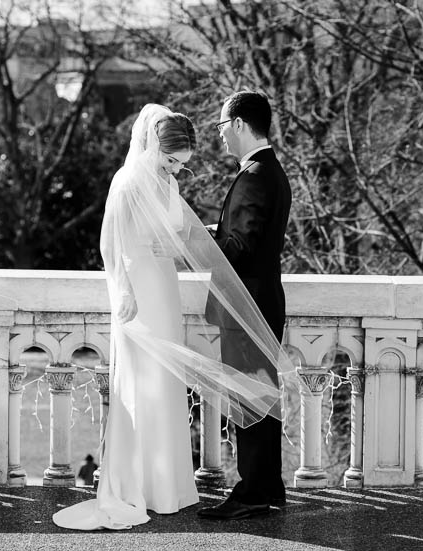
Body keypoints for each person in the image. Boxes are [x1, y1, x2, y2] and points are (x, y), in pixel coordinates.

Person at [52, 103, 294, 531]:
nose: (177, 171)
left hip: (203, 294)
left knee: (242, 391)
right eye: (173, 162)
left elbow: (220, 242)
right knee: (235, 390)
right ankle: (231, 485)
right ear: (153, 147)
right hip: (146, 293)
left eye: (182, 164)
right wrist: (125, 289)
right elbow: (112, 246)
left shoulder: (245, 178)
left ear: (239, 123)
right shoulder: (129, 184)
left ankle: (232, 488)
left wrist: (183, 253)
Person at [197, 91, 292, 521]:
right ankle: (267, 487)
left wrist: (197, 241)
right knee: (260, 398)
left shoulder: (254, 175)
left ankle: (253, 491)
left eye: (221, 127)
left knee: (249, 399)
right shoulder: (268, 171)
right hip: (261, 299)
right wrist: (216, 229)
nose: (220, 136)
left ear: (237, 124)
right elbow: (244, 232)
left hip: (247, 305)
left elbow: (241, 245)